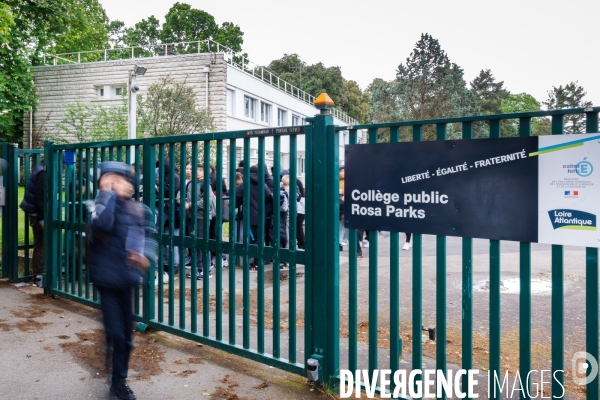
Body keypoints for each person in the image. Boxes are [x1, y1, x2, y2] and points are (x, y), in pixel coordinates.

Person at [86, 161, 157, 400]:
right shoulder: (97, 205)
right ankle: (114, 364)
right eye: (113, 179)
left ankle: (119, 380)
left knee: (126, 334)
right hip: (106, 278)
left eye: (123, 180)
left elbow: (149, 237)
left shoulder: (138, 209)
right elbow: (101, 223)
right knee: (115, 332)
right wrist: (106, 193)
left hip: (127, 279)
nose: (121, 184)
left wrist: (145, 256)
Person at [235, 165, 273, 271]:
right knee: (260, 237)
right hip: (262, 215)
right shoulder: (262, 184)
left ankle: (256, 261)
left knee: (253, 239)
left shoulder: (244, 184)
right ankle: (259, 260)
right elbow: (269, 197)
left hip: (249, 215)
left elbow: (237, 198)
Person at [185, 164, 216, 279]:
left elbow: (206, 201)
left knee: (202, 243)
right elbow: (183, 195)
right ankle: (198, 268)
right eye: (196, 170)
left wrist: (190, 205)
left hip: (202, 217)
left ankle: (206, 270)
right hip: (191, 217)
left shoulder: (205, 184)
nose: (197, 172)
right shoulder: (190, 183)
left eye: (200, 170)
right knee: (195, 243)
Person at [20, 160, 45, 278]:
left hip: (35, 212)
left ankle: (39, 273)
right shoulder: (43, 173)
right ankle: (39, 275)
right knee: (41, 245)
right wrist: (42, 219)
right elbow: (40, 199)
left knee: (40, 244)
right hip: (37, 214)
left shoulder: (39, 169)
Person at [338, 166, 348, 250]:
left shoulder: (348, 181)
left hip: (345, 205)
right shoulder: (336, 181)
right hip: (338, 205)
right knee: (339, 226)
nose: (343, 173)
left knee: (343, 226)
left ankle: (341, 241)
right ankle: (339, 242)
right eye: (341, 171)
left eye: (344, 171)